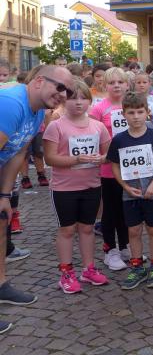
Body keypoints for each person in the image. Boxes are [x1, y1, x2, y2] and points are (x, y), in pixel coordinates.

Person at [0, 65, 74, 333]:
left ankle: (1, 285)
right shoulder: (11, 104)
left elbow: (19, 153)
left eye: (68, 92)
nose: (64, 95)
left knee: (2, 223)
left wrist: (4, 194)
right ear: (40, 81)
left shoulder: (39, 111)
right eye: (60, 88)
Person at [43, 79, 111, 294]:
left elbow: (109, 154)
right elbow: (50, 158)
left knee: (87, 228)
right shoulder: (56, 126)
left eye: (83, 98)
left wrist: (102, 159)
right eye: (73, 98)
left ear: (90, 101)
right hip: (64, 188)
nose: (78, 103)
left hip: (91, 185)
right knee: (67, 230)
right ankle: (66, 273)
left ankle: (88, 269)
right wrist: (77, 159)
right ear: (63, 101)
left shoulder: (98, 126)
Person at [108, 92, 153, 290]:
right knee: (133, 230)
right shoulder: (119, 139)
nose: (136, 116)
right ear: (123, 114)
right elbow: (114, 165)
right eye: (131, 112)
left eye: (140, 112)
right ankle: (137, 267)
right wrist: (125, 186)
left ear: (147, 112)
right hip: (130, 194)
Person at [90, 67, 132, 272]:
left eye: (120, 82)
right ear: (104, 85)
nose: (116, 86)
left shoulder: (131, 106)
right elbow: (91, 136)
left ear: (127, 84)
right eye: (112, 82)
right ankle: (110, 250)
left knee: (126, 209)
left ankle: (125, 246)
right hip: (108, 169)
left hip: (130, 168)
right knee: (110, 210)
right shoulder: (99, 109)